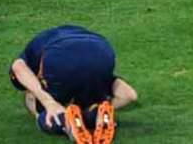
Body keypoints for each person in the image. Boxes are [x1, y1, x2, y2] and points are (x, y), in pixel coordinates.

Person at [9, 25, 138, 144]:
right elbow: (130, 96)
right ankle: (94, 114)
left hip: (60, 58)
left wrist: (49, 103)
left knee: (40, 105)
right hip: (102, 50)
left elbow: (18, 67)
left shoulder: (29, 57)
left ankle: (66, 121)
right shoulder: (47, 40)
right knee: (97, 89)